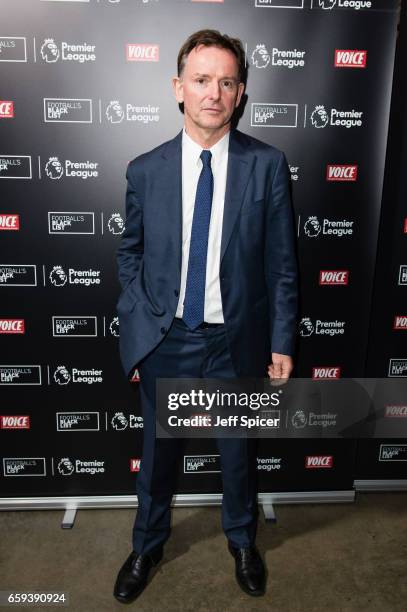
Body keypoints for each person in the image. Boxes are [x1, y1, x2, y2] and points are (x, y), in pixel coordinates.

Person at [113, 29, 298, 602]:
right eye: (201, 80)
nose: (213, 93)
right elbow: (131, 255)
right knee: (158, 456)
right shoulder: (145, 170)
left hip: (235, 341)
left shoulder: (267, 165)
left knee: (237, 452)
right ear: (178, 87)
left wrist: (281, 340)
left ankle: (242, 541)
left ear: (240, 93)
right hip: (167, 339)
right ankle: (147, 545)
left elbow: (283, 265)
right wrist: (141, 323)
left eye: (226, 82)